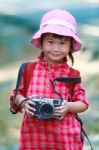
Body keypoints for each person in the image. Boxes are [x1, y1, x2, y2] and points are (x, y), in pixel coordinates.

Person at [10, 9, 89, 150]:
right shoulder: (29, 69)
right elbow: (16, 95)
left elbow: (83, 103)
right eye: (51, 42)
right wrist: (24, 103)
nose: (56, 48)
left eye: (62, 43)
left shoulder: (72, 74)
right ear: (42, 41)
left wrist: (68, 107)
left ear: (70, 45)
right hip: (33, 138)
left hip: (64, 139)